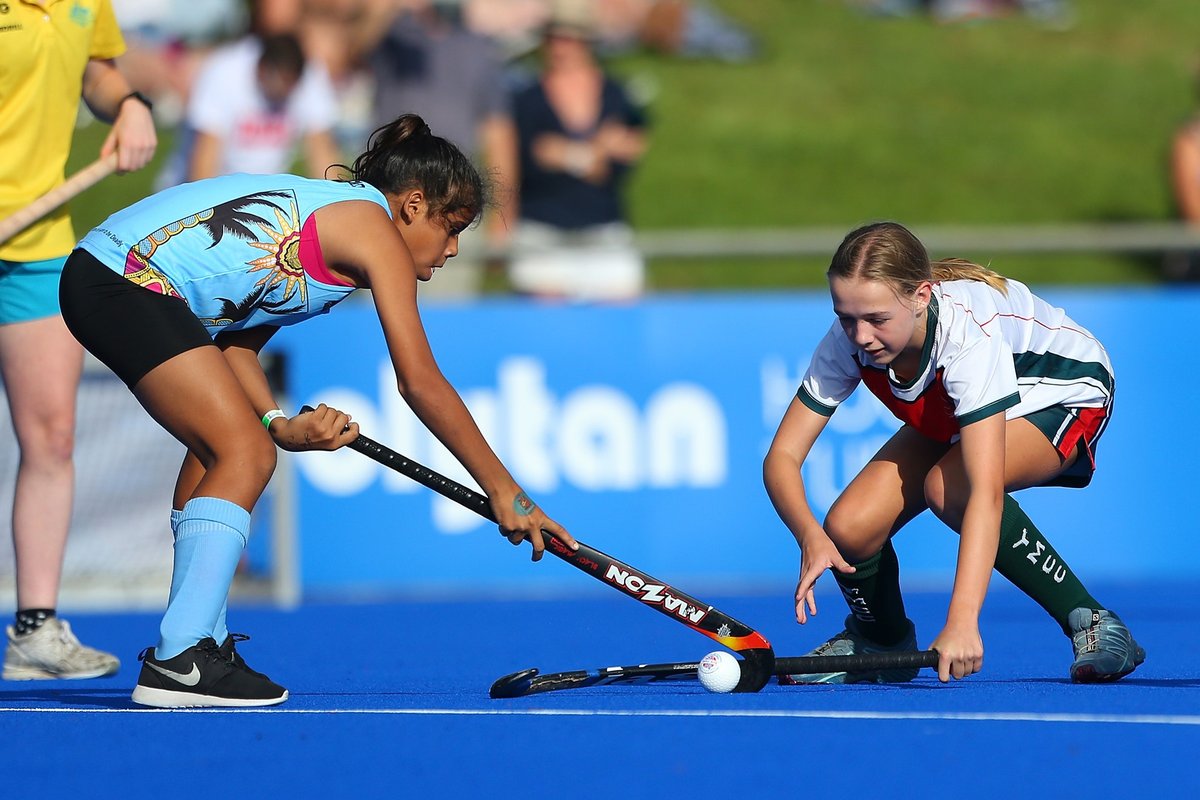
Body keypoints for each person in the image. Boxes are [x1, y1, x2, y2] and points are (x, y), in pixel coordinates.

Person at [58, 114, 576, 707]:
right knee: (240, 453)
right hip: (123, 281)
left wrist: (277, 424)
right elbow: (421, 382)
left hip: (117, 282)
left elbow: (234, 345)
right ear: (412, 205)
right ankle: (181, 656)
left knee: (219, 454)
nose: (454, 248)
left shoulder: (336, 234)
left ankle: (204, 639)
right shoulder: (372, 228)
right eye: (451, 227)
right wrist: (506, 492)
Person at [762, 221, 1145, 685]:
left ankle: (1092, 619)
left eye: (877, 319)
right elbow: (781, 457)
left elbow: (984, 492)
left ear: (922, 297)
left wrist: (963, 620)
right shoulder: (848, 341)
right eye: (846, 317)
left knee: (951, 485)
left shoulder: (967, 339)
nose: (860, 336)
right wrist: (809, 535)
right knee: (848, 527)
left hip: (1061, 391)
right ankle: (880, 639)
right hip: (959, 406)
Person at [1, 0, 157, 680]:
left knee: (52, 436)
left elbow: (95, 67)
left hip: (36, 242)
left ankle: (34, 629)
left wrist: (128, 102)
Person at [346, 0, 519, 298]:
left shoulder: (479, 47)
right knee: (376, 314)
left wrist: (503, 219)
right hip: (389, 201)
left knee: (445, 315)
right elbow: (347, 53)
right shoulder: (391, 36)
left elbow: (498, 132)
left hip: (450, 207)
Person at [507, 3, 649, 301]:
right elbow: (529, 160)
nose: (561, 47)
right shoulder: (526, 99)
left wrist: (567, 155)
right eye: (554, 38)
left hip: (602, 222)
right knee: (546, 310)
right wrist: (597, 150)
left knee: (622, 302)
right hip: (542, 225)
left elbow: (626, 157)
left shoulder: (616, 95)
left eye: (570, 38)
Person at [155, 31, 342, 187]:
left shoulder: (310, 76)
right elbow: (203, 164)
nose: (285, 95)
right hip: (195, 190)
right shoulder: (224, 72)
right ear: (261, 70)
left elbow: (323, 154)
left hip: (262, 194)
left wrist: (339, 205)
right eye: (280, 85)